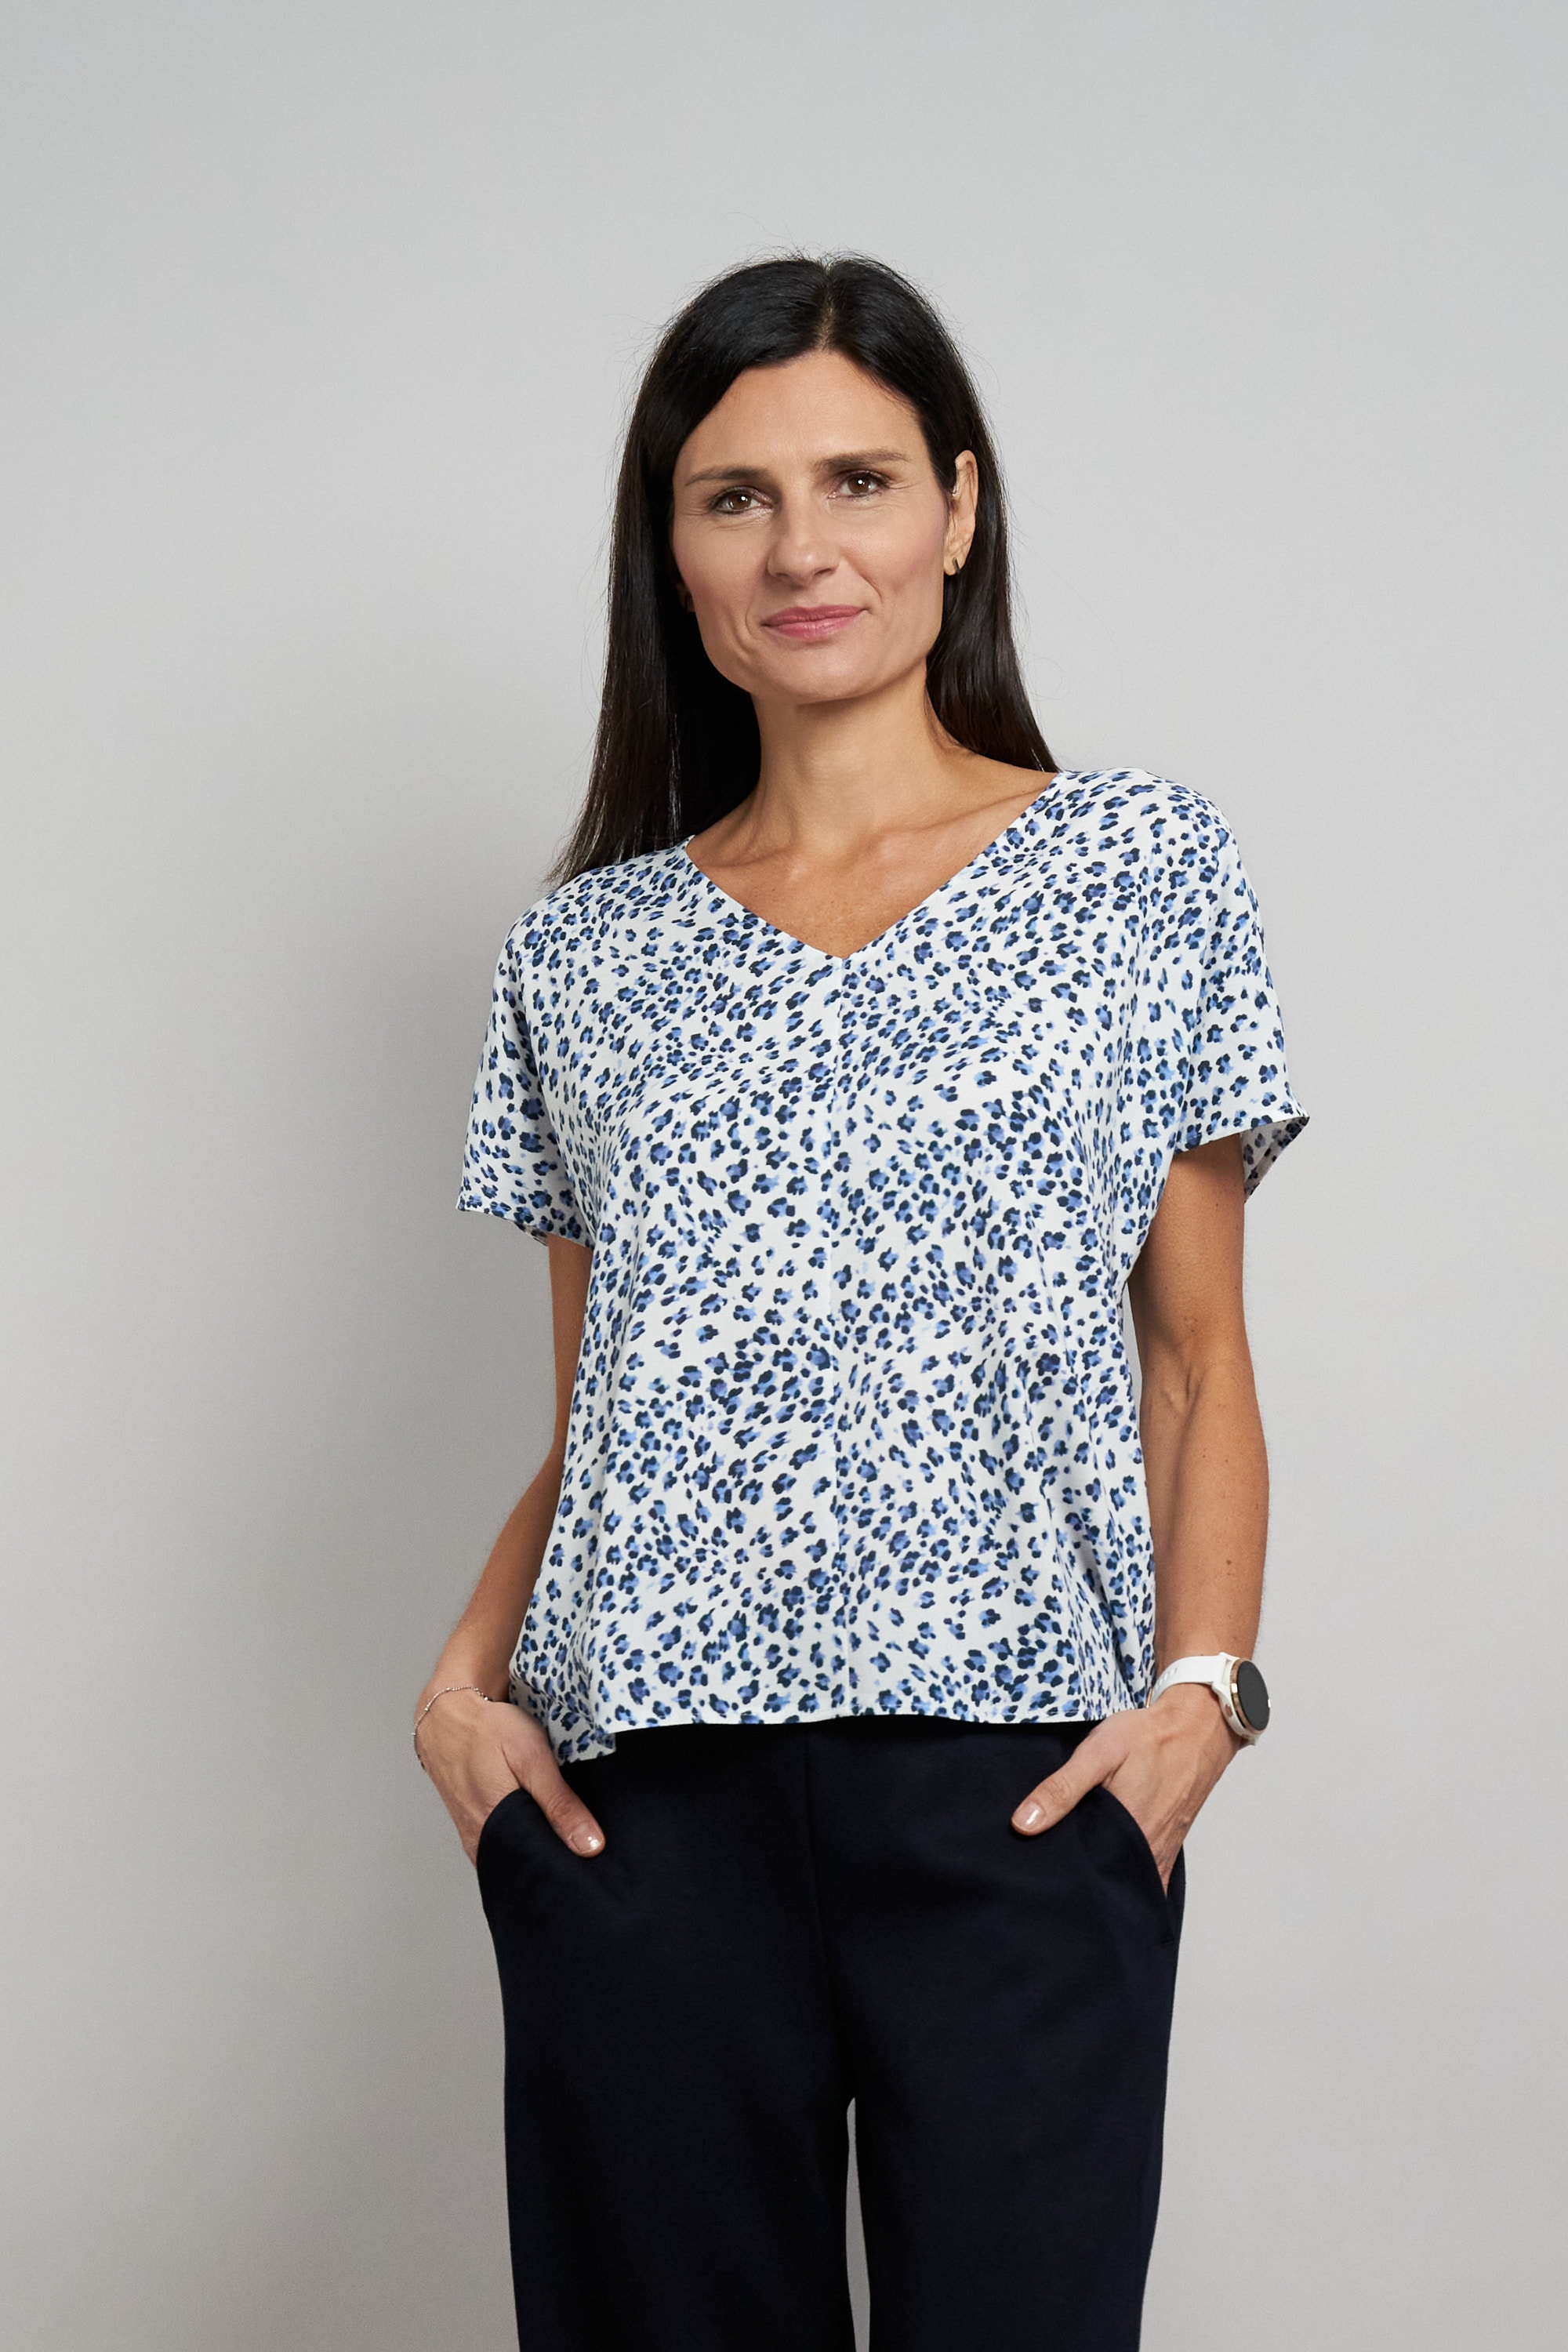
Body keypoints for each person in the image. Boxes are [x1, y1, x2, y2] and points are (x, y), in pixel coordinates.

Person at [414, 253, 1306, 2352]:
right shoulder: (587, 955)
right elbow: (602, 1414)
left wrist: (1206, 1695)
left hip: (1017, 1790)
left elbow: (1196, 1356)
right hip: (647, 1809)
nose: (802, 549)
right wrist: (459, 1691)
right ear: (673, 551)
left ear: (958, 510)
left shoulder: (1140, 870)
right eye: (734, 496)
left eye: (860, 481)